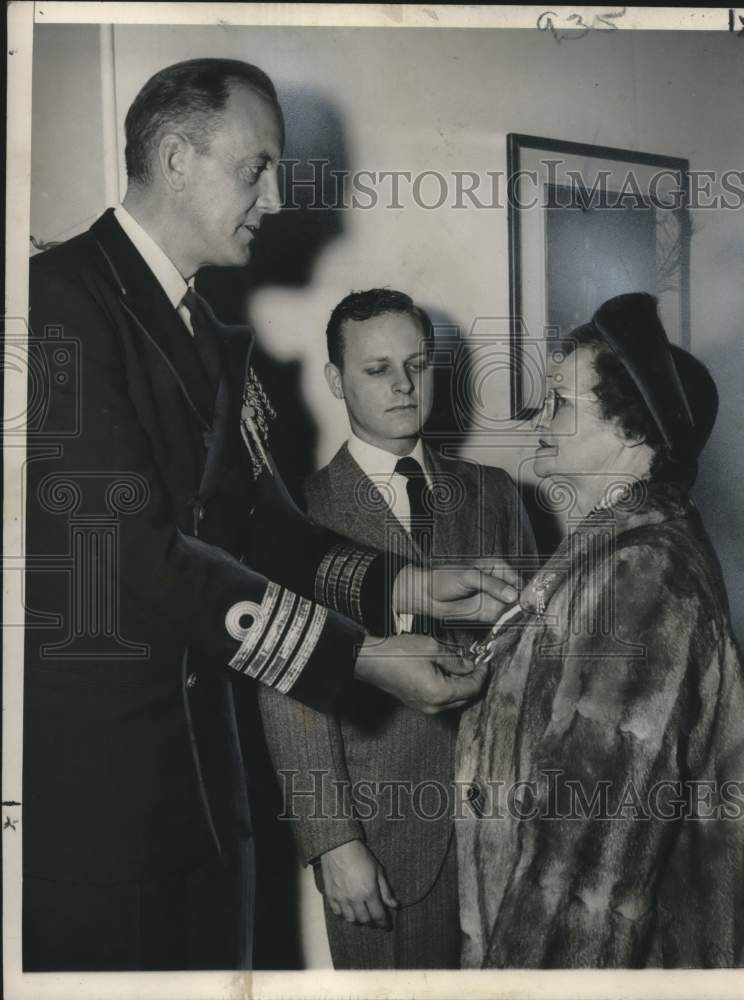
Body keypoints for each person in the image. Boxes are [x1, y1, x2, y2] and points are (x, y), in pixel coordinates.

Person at [22, 58, 517, 972]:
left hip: (207, 793)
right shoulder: (58, 301)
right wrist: (361, 656)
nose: (277, 195)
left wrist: (407, 581)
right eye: (257, 168)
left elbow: (265, 531)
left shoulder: (204, 332)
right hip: (105, 799)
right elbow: (137, 558)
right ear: (176, 158)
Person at [456, 292, 744, 968]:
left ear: (629, 431)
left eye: (560, 402)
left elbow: (585, 855)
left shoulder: (642, 574)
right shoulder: (609, 552)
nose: (539, 416)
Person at [259, 288, 537, 968]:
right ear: (335, 380)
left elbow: (536, 655)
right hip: (381, 839)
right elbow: (282, 685)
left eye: (417, 364)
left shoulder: (496, 492)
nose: (403, 385)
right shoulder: (292, 515)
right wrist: (332, 841)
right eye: (376, 369)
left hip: (505, 825)